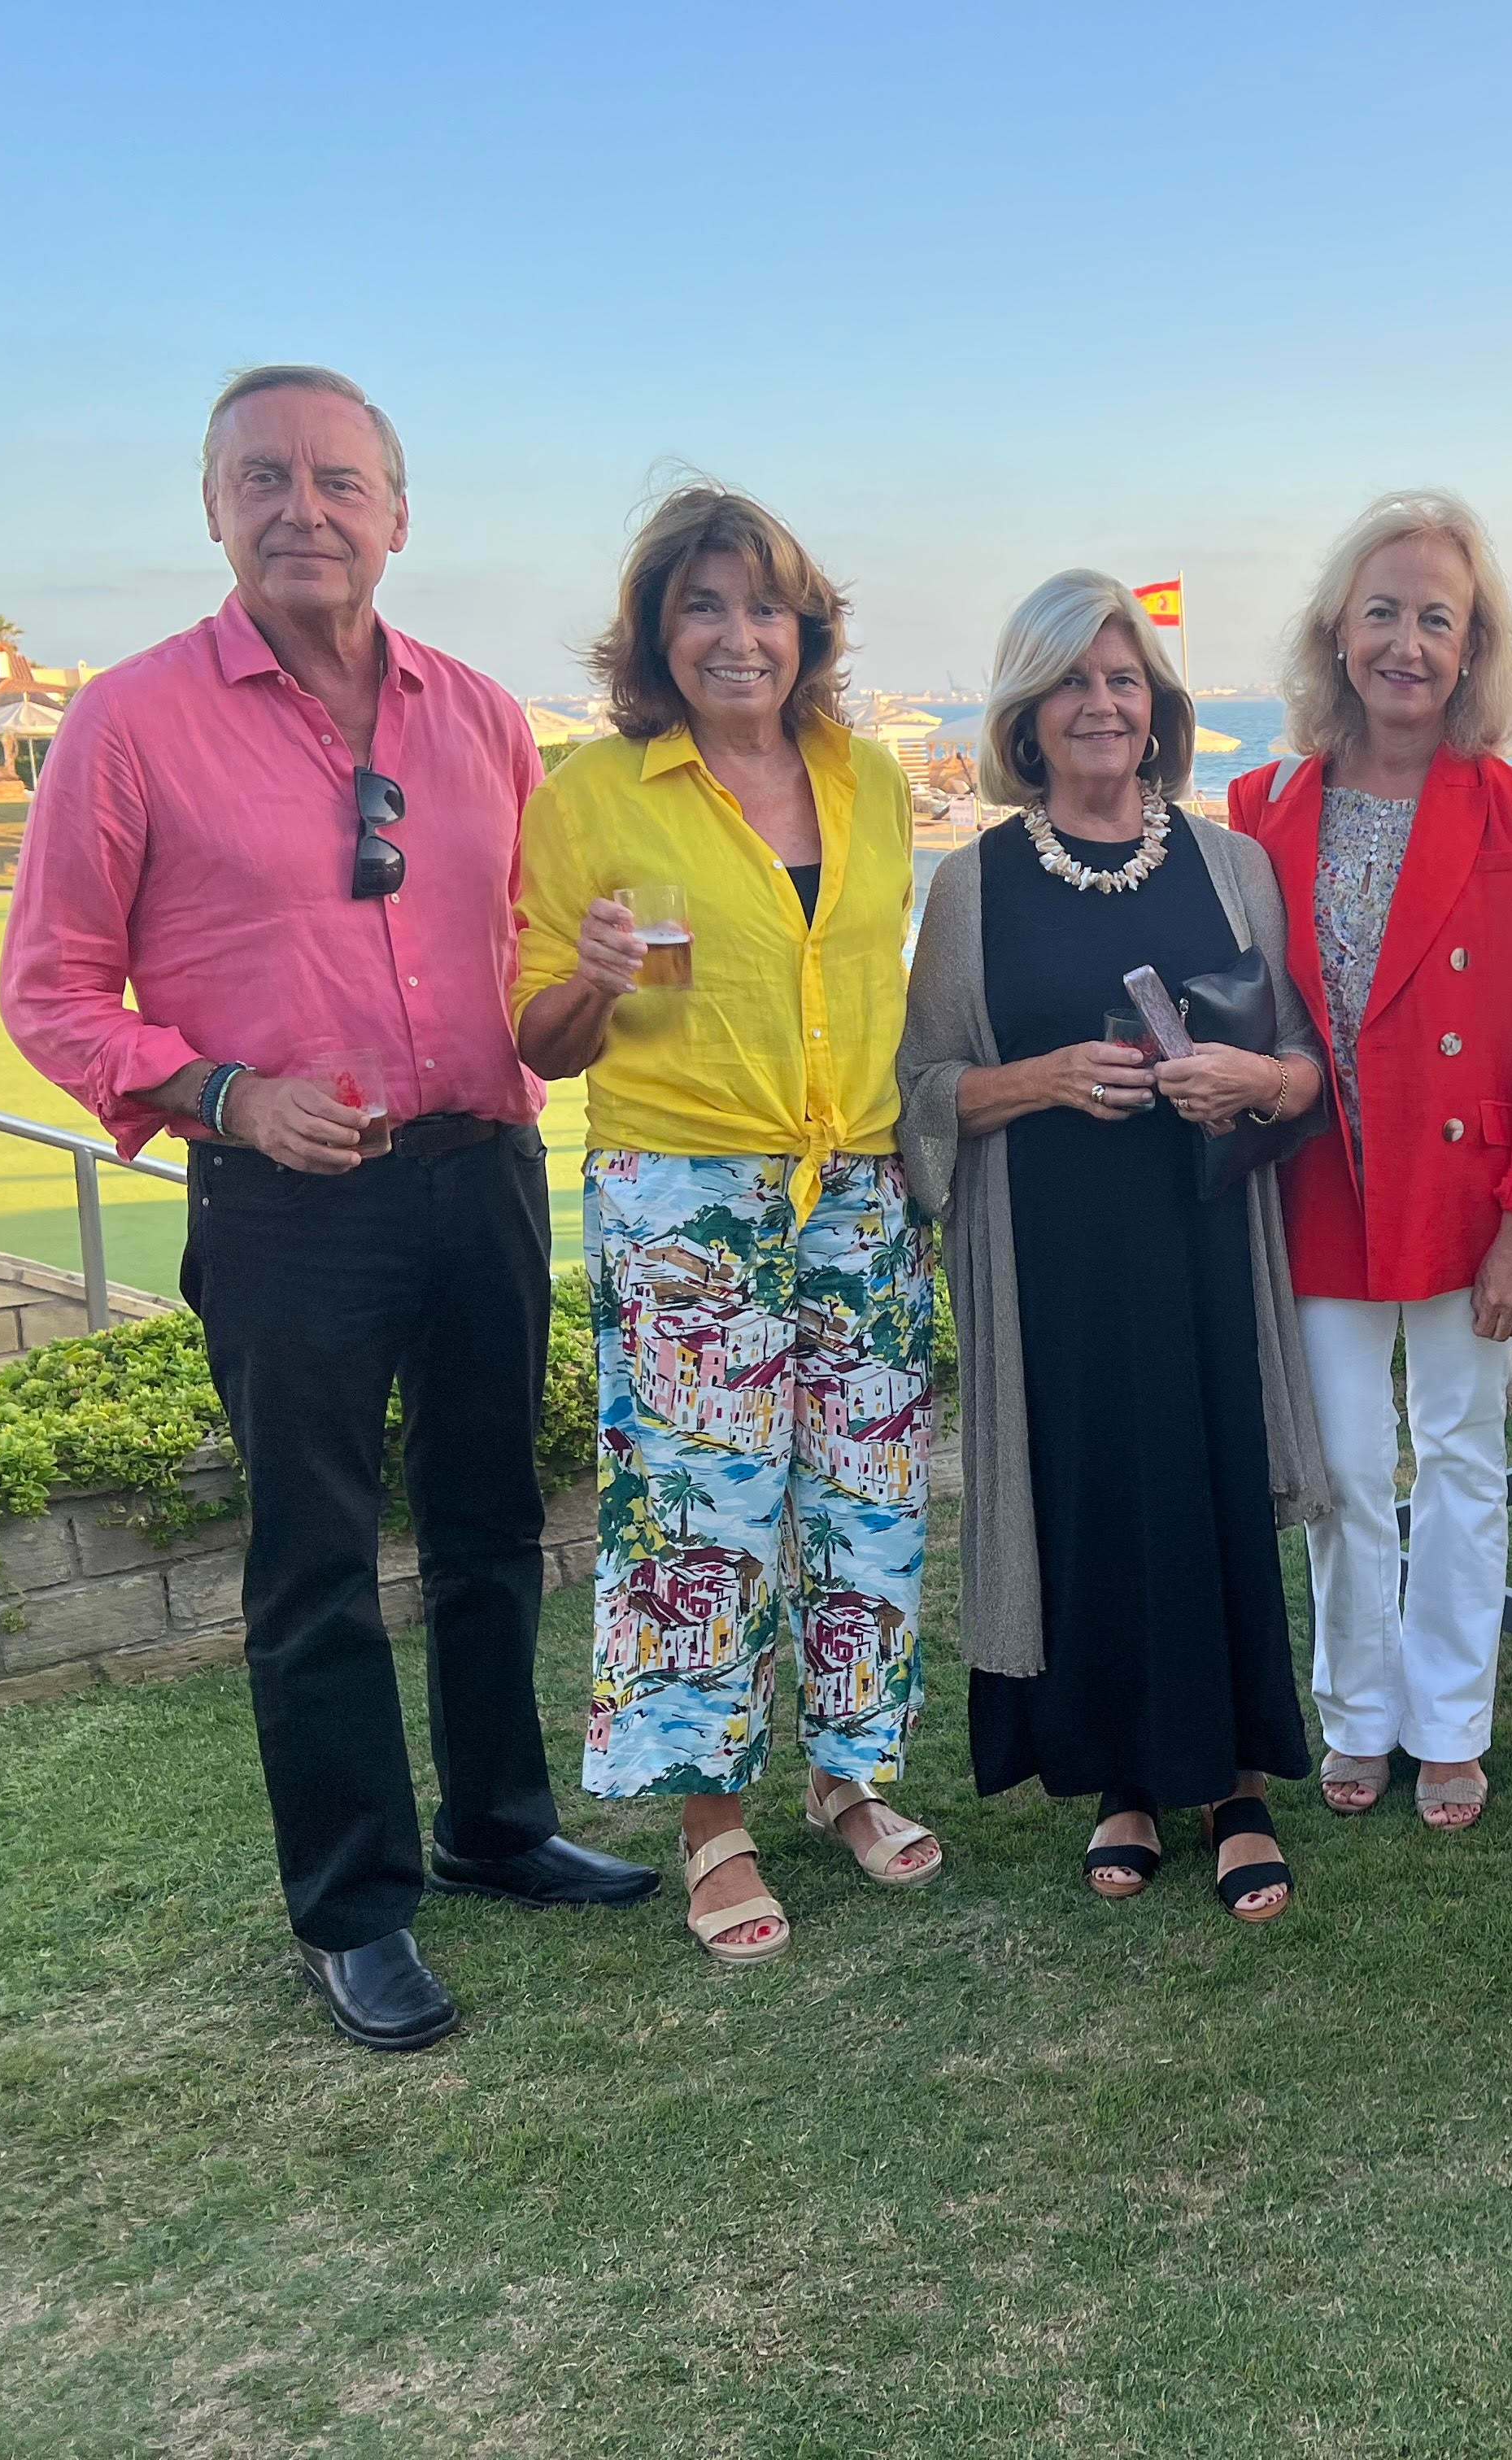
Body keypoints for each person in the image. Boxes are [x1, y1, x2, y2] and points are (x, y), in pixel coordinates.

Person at [0, 365, 655, 2053]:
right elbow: (53, 990)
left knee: (495, 1520)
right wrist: (223, 1090)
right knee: (313, 1561)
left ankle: (497, 1828)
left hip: (484, 1170)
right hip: (290, 1195)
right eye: (267, 479)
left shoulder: (482, 718)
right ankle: (355, 1907)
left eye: (341, 482)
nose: (308, 510)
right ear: (215, 508)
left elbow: (523, 952)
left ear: (398, 515)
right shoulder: (129, 723)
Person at [513, 486, 942, 1966]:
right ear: (655, 633)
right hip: (686, 1194)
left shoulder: (870, 782)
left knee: (868, 1495)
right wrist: (590, 976)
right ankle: (711, 1821)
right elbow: (545, 1040)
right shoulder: (590, 798)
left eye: (763, 607)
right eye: (701, 606)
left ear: (805, 629)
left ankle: (847, 1776)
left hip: (859, 1183)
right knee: (697, 1513)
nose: (738, 635)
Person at [899, 572, 1330, 1921]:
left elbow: (1309, 1070)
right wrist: (1041, 1079)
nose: (1100, 703)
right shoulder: (972, 888)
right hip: (1053, 1272)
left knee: (1212, 1489)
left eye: (1123, 679)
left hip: (1205, 1249)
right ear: (1027, 716)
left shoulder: (1230, 864)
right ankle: (1121, 1787)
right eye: (1072, 681)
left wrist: (1244, 1081)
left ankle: (1239, 1787)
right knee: (1083, 1500)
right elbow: (919, 1095)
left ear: (1159, 710)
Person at [1231, 491, 1512, 1833]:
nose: (1406, 641)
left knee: (1456, 1459)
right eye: (1382, 611)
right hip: (1316, 1185)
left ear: (1470, 644)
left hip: (1464, 1196)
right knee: (1337, 1468)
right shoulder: (1260, 803)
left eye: (1435, 618)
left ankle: (1449, 1722)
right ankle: (1358, 1711)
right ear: (1337, 633)